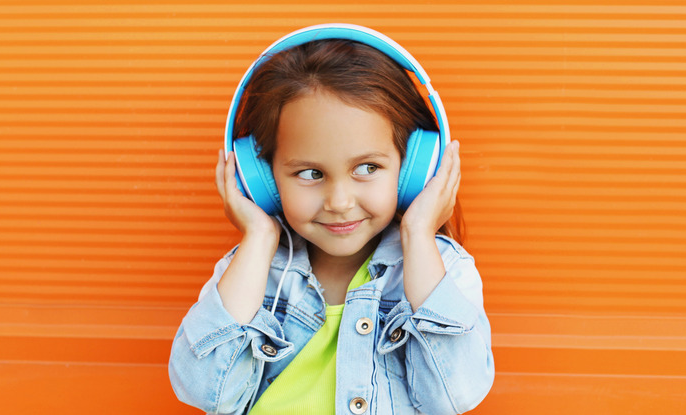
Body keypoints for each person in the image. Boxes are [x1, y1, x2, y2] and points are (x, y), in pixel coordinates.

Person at [169, 24, 494, 415]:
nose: (339, 202)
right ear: (263, 179)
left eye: (368, 167)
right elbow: (205, 392)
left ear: (414, 169)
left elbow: (453, 395)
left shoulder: (444, 270)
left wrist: (419, 235)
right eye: (310, 173)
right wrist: (257, 237)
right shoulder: (252, 270)